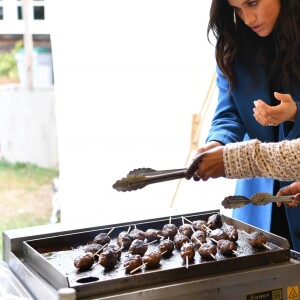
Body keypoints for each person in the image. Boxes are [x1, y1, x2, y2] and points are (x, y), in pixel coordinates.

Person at [188, 0, 300, 251]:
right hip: (257, 201)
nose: (248, 18)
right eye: (237, 8)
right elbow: (228, 114)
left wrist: (296, 112)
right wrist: (217, 143)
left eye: (252, 3)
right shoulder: (233, 44)